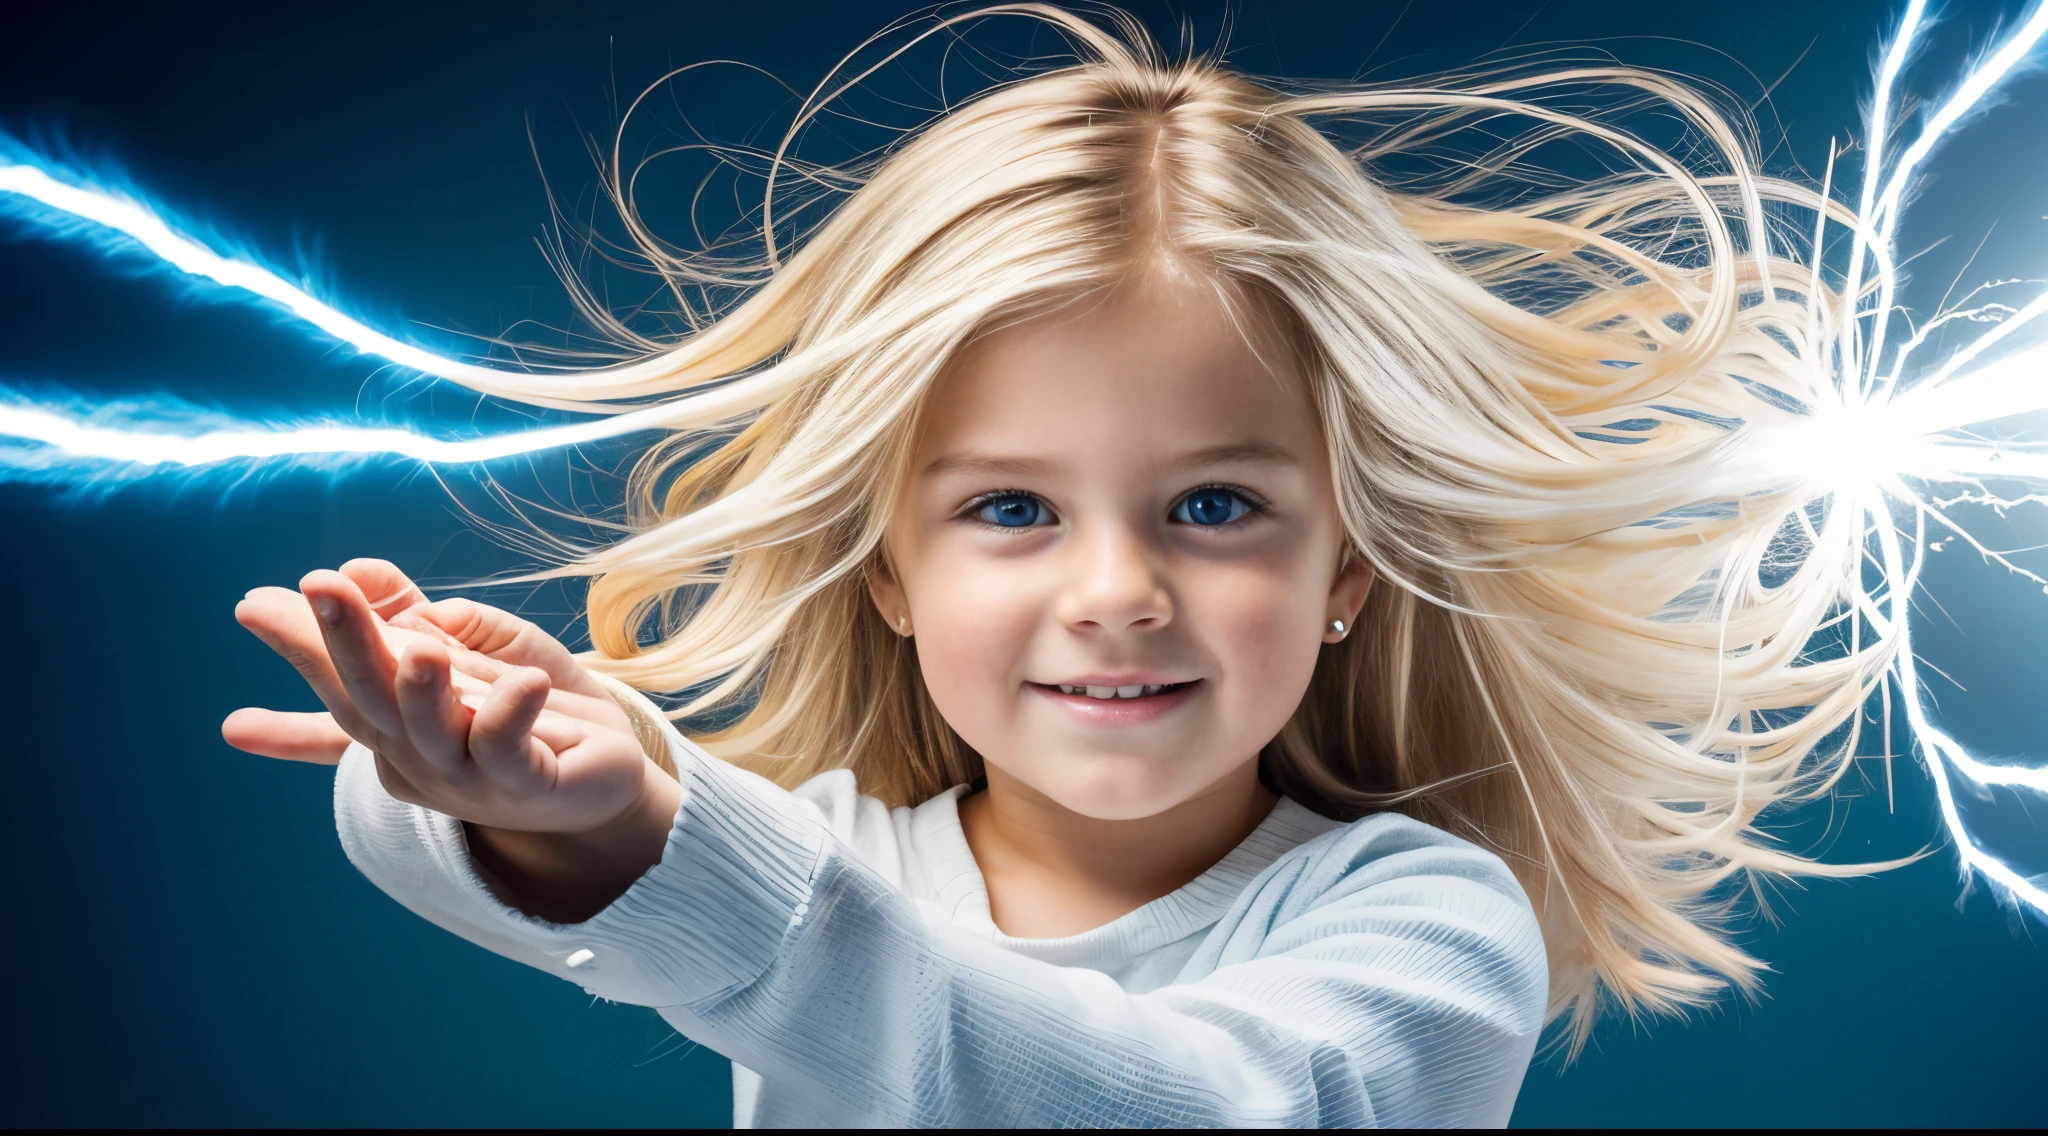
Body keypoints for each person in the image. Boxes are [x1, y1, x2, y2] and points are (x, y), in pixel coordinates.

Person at [224, 6, 1879, 1126]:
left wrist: (665, 834)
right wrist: (518, 782)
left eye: (1216, 508)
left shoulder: (1428, 930)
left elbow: (1157, 1104)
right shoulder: (820, 856)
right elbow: (438, 853)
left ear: (1354, 564)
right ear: (885, 568)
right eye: (1011, 510)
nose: (1116, 593)